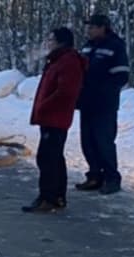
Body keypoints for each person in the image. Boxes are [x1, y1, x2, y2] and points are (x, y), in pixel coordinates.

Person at [22, 27, 87, 212]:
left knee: (48, 158)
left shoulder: (68, 61)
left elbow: (66, 91)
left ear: (61, 42)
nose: (48, 42)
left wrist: (45, 105)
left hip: (55, 117)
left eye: (51, 39)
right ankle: (55, 197)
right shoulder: (57, 59)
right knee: (53, 157)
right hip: (51, 117)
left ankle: (49, 198)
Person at [76, 14, 129, 195]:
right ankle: (94, 176)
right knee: (87, 142)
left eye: (92, 27)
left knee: (104, 142)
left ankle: (112, 178)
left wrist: (102, 90)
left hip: (104, 105)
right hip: (86, 103)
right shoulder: (87, 46)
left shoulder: (115, 46)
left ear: (103, 27)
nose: (88, 30)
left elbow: (121, 76)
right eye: (88, 27)